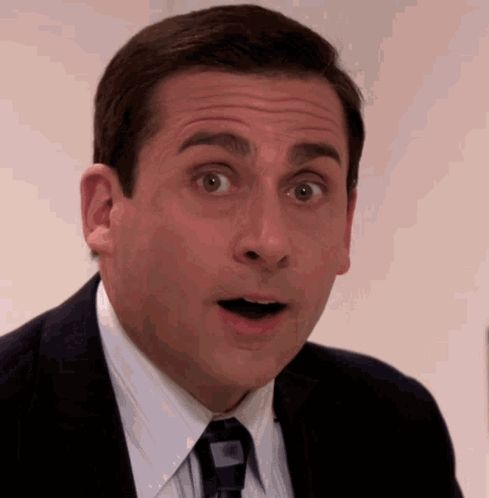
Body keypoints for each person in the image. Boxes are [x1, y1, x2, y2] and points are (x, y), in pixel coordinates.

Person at [0, 4, 463, 497]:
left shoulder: (396, 428)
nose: (269, 242)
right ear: (104, 211)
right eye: (213, 181)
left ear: (346, 228)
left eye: (305, 190)